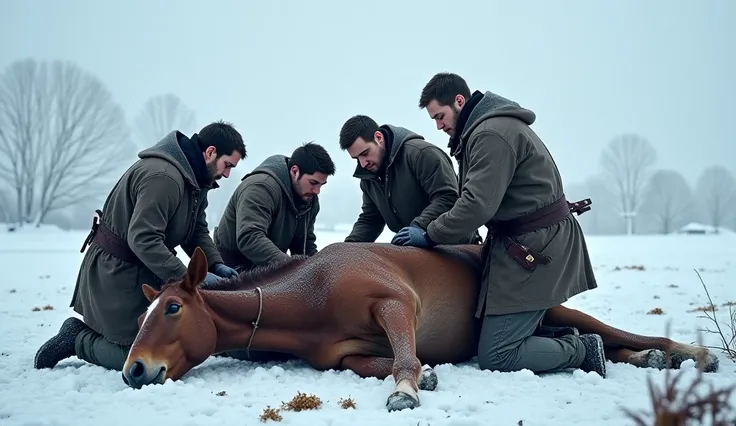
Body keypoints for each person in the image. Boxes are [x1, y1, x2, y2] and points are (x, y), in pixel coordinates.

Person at [391, 72, 606, 378]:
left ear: (460, 102)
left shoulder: (490, 134)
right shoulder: (485, 129)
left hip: (536, 246)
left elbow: (477, 205)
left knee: (498, 355)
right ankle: (552, 337)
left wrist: (430, 234)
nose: (438, 126)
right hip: (520, 244)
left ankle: (582, 350)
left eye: (440, 116)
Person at [34, 121, 247, 372]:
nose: (227, 174)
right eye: (227, 165)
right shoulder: (164, 178)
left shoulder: (196, 181)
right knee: (138, 355)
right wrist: (187, 279)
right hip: (116, 272)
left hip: (146, 267)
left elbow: (196, 231)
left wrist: (217, 265)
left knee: (169, 337)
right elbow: (143, 238)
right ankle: (77, 339)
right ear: (210, 152)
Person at [338, 114, 480, 244]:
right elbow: (371, 219)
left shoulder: (421, 154)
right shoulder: (369, 177)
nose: (363, 163)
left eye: (365, 153)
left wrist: (419, 227)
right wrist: (349, 246)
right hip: (412, 250)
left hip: (454, 246)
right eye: (357, 158)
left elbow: (448, 197)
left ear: (378, 138)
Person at [213, 142, 335, 272]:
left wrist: (318, 272)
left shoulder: (309, 199)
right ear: (295, 171)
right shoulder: (260, 188)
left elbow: (305, 246)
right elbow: (249, 238)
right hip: (230, 273)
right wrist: (291, 268)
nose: (317, 191)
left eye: (322, 185)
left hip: (269, 274)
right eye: (313, 182)